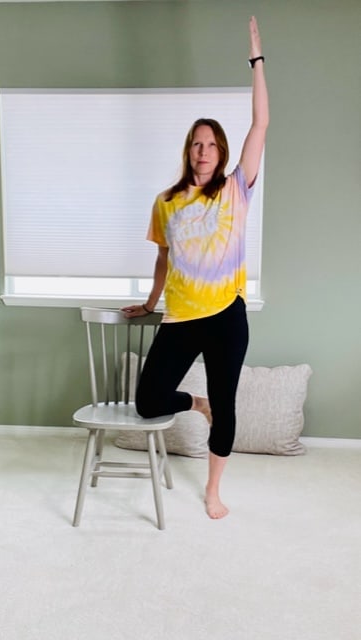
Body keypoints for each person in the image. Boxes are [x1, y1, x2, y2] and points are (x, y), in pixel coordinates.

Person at [122, 16, 269, 520]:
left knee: (227, 406)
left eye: (211, 144)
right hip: (182, 317)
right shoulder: (166, 202)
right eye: (196, 144)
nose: (203, 151)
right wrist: (148, 302)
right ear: (188, 151)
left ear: (222, 152)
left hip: (227, 315)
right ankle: (196, 404)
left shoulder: (235, 189)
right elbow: (163, 256)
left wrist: (256, 61)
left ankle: (212, 490)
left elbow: (262, 124)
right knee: (148, 400)